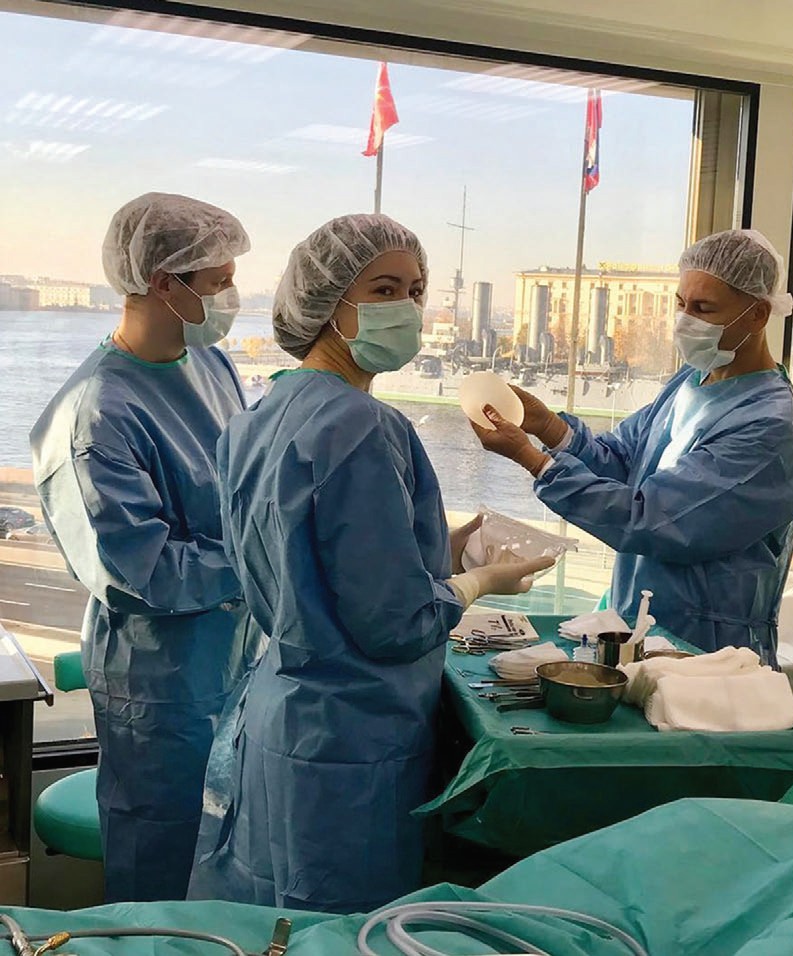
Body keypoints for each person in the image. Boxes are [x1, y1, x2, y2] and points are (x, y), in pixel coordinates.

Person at [188, 213, 553, 913]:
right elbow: (394, 623)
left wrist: (438, 549)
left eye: (415, 291)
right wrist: (480, 581)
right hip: (350, 735)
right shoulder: (360, 426)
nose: (407, 308)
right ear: (326, 302)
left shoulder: (260, 415)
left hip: (281, 708)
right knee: (339, 927)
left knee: (271, 919)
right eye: (384, 289)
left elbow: (307, 558)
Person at [30, 192, 264, 903]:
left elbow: (243, 487)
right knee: (161, 873)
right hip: (161, 685)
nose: (231, 298)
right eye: (219, 281)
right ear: (164, 282)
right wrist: (267, 558)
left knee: (228, 859)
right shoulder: (95, 416)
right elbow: (146, 574)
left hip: (233, 655)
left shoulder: (209, 365)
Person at [472, 229, 793, 667]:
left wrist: (534, 461)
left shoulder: (771, 428)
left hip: (711, 655)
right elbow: (625, 462)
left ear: (757, 315)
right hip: (637, 628)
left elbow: (655, 519)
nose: (684, 320)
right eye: (681, 304)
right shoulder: (691, 384)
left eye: (703, 309)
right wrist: (548, 426)